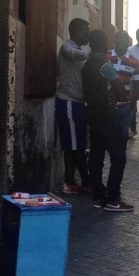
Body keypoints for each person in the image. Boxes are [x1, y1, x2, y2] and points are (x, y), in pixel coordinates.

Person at [81, 30, 134, 212]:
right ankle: (113, 198)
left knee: (96, 156)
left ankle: (98, 196)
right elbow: (121, 91)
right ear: (104, 45)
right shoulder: (106, 66)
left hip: (92, 114)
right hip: (108, 115)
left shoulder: (86, 65)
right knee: (118, 157)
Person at [55, 18, 91, 194]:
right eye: (86, 31)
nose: (88, 34)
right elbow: (72, 53)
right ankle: (81, 181)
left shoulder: (80, 52)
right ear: (77, 31)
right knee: (74, 146)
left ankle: (71, 181)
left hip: (77, 103)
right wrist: (94, 55)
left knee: (74, 146)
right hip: (68, 102)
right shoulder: (67, 47)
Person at [107, 30, 139, 139]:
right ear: (114, 40)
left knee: (121, 141)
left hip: (124, 107)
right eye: (119, 38)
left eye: (125, 39)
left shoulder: (135, 63)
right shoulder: (105, 57)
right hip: (106, 106)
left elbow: (136, 85)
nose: (122, 41)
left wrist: (131, 103)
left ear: (128, 42)